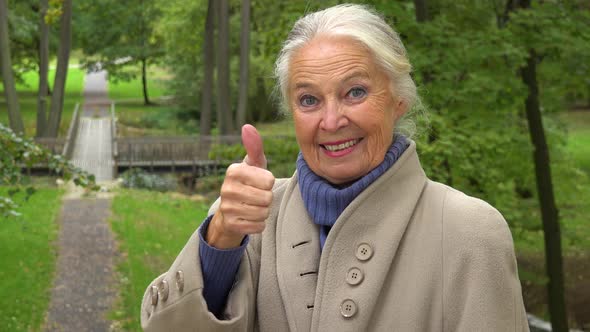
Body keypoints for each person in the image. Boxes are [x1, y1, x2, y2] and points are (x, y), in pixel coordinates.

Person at [141, 4, 529, 331]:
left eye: (355, 92)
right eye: (309, 99)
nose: (331, 121)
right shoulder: (249, 223)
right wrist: (221, 241)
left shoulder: (470, 233)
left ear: (399, 99)